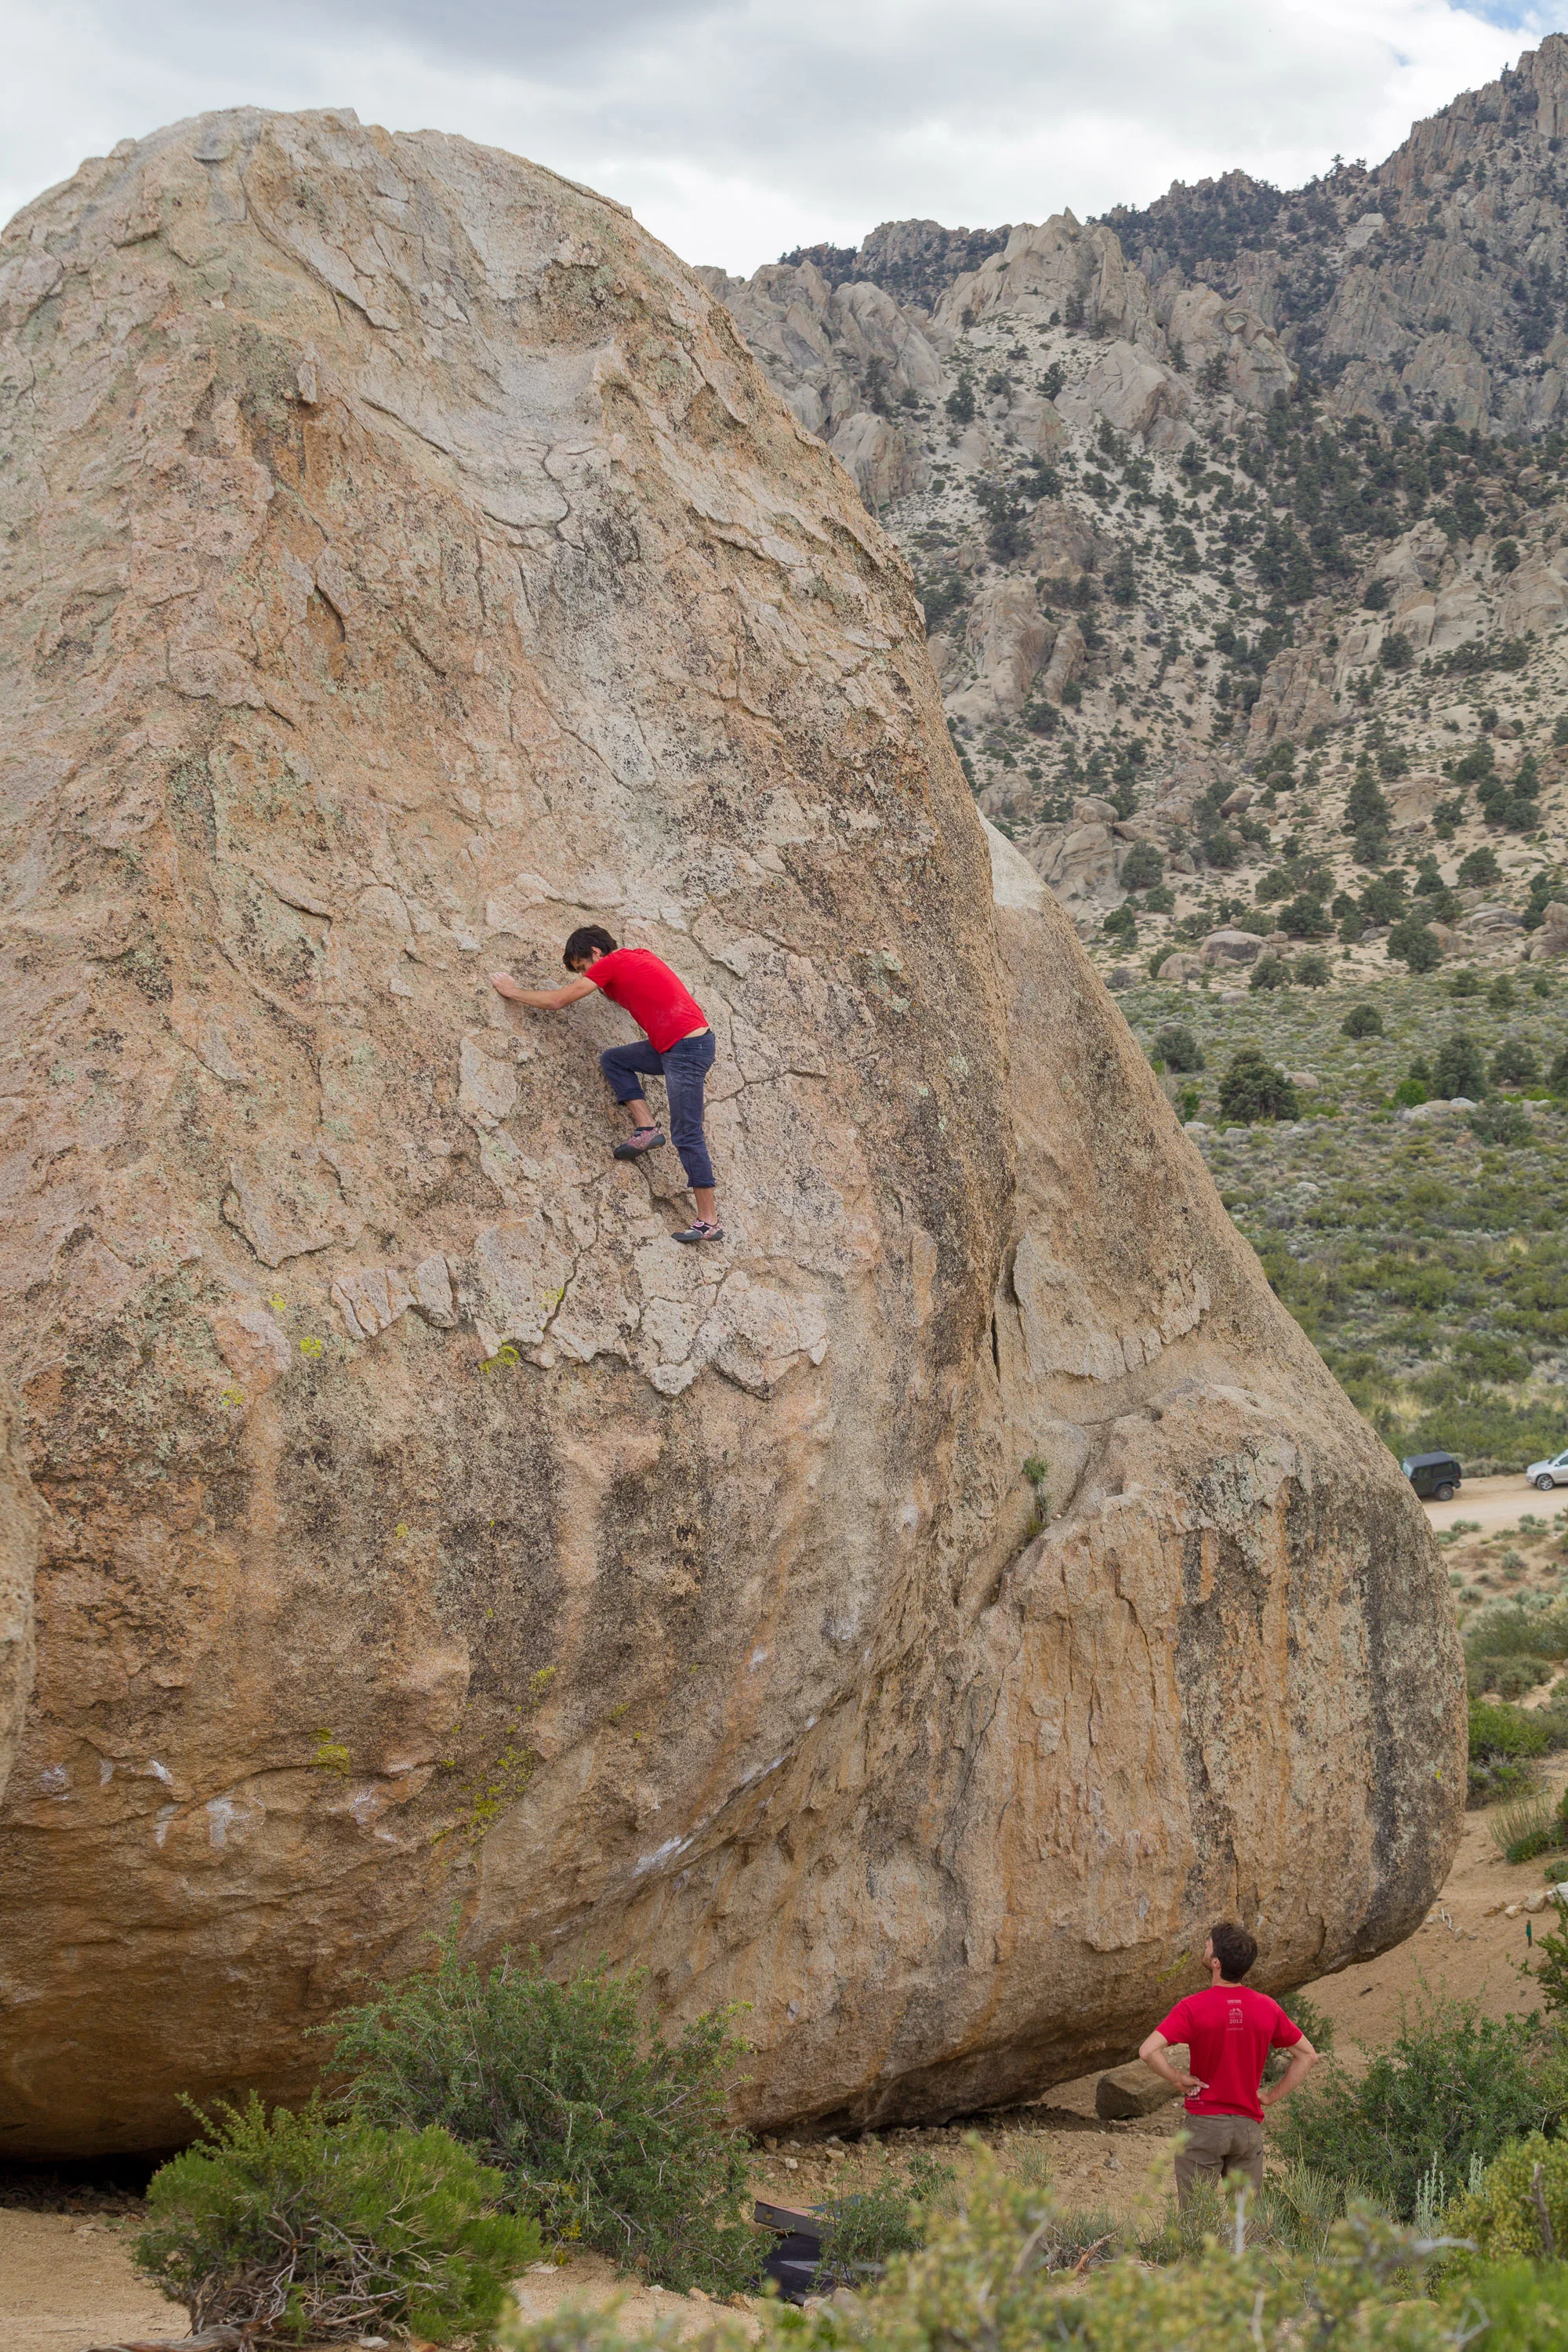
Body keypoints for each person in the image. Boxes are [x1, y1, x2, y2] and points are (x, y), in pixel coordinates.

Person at [491, 925, 723, 1244]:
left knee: (687, 1132)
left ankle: (708, 1221)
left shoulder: (613, 963)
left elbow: (559, 1001)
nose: (585, 976)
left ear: (597, 953)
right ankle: (647, 1129)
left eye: (583, 968)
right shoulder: (633, 959)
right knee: (614, 1059)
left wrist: (513, 992)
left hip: (685, 1049)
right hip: (671, 1047)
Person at [1138, 1921, 1319, 2208]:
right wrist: (1270, 2097)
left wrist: (1176, 2078)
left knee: (1196, 2218)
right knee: (1247, 2224)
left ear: (1216, 1962)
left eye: (1208, 1944)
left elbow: (1148, 2051)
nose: (1205, 1946)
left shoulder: (1193, 2007)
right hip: (1248, 2129)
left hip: (1205, 2126)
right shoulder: (1267, 2007)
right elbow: (1308, 2055)